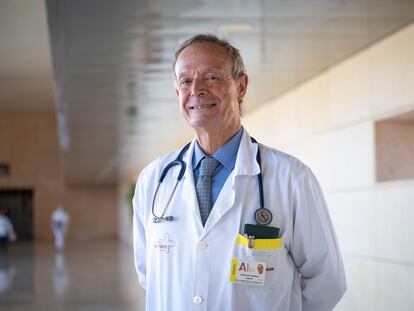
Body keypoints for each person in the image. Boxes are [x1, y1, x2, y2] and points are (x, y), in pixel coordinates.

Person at [133, 34, 346, 311]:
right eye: (185, 81)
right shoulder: (154, 179)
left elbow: (327, 282)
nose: (196, 89)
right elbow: (149, 274)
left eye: (211, 77)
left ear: (241, 86)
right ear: (177, 93)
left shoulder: (291, 178)